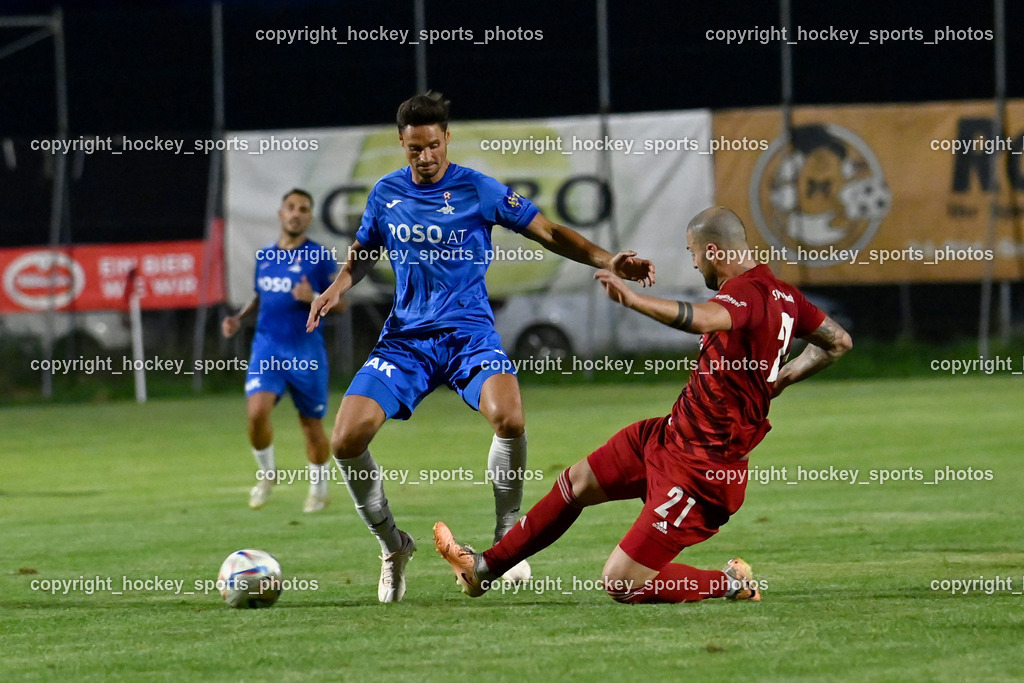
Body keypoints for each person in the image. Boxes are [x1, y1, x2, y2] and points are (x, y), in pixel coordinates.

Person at [306, 92, 654, 603]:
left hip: (469, 334)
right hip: (407, 340)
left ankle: (507, 539)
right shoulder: (385, 192)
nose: (424, 158)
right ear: (402, 147)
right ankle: (392, 545)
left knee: (510, 418)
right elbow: (365, 248)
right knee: (344, 440)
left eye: (431, 146)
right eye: (413, 150)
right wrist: (339, 284)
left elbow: (548, 231)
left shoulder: (477, 188)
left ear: (446, 139)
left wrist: (608, 260)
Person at [434, 206, 852, 603]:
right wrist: (780, 379)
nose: (693, 264)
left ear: (714, 252)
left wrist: (635, 301)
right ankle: (484, 569)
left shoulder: (745, 293)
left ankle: (730, 583)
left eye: (693, 254)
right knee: (575, 483)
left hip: (703, 471)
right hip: (668, 436)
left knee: (620, 582)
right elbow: (837, 342)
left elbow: (705, 318)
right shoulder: (785, 296)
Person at [222, 188, 341, 513]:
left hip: (306, 352)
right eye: (291, 207)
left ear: (309, 217)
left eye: (303, 208)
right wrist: (239, 318)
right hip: (268, 349)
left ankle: (318, 489)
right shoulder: (265, 257)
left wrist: (313, 295)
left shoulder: (319, 257)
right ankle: (267, 473)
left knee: (311, 425)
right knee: (256, 413)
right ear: (281, 213)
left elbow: (341, 305)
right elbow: (261, 296)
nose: (296, 213)